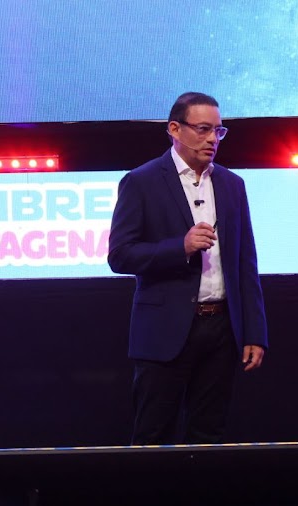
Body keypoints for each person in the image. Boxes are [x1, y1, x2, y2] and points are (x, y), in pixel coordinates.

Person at [108, 92, 268, 445]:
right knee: (154, 434)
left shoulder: (232, 184)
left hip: (222, 329)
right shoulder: (142, 181)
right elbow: (120, 255)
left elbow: (246, 262)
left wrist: (254, 332)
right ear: (175, 129)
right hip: (165, 329)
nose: (212, 139)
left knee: (209, 435)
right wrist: (179, 247)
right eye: (203, 129)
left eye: (218, 131)